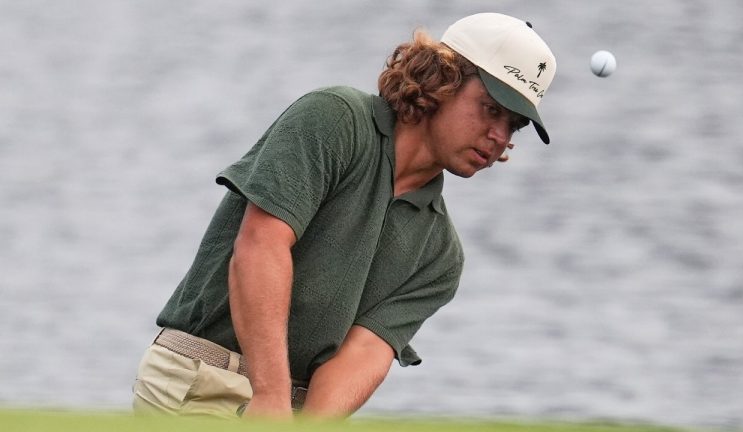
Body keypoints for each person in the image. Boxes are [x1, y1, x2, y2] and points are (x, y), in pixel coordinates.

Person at [132, 12, 556, 420]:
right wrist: (271, 397)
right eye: (491, 109)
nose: (500, 136)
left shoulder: (440, 255)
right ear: (442, 80)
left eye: (514, 125)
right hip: (203, 377)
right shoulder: (335, 119)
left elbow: (365, 353)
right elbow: (261, 245)